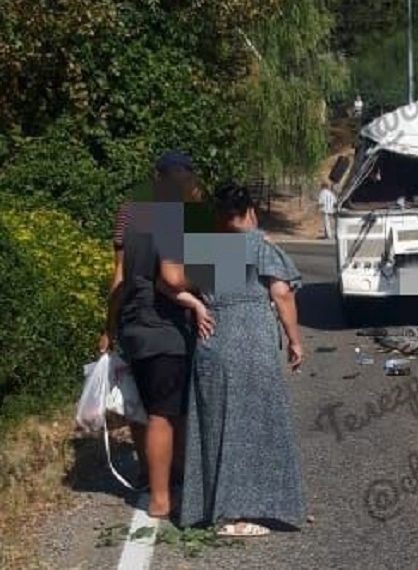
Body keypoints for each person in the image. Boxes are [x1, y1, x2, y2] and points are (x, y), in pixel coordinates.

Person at [180, 182, 306, 537]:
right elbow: (282, 295)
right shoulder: (260, 247)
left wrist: (198, 304)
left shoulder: (203, 248)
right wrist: (295, 341)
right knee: (253, 423)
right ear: (251, 210)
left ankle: (215, 508)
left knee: (217, 424)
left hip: (213, 340)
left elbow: (170, 281)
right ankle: (239, 515)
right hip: (251, 341)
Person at [112, 152, 214, 518]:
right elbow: (172, 278)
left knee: (155, 409)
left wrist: (108, 330)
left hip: (135, 325)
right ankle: (161, 499)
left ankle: (173, 479)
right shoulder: (173, 217)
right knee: (163, 414)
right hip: (164, 327)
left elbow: (120, 279)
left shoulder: (134, 216)